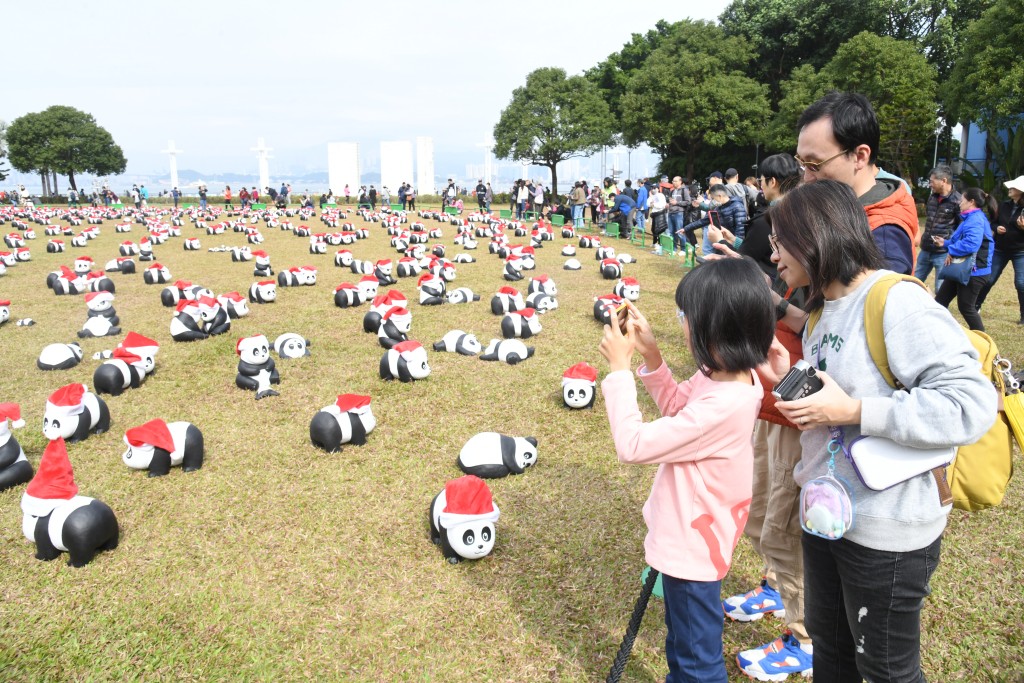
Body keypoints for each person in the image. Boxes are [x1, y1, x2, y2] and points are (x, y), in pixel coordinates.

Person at [768, 179, 995, 682]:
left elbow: (971, 404)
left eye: (780, 240)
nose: (774, 253)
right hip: (826, 517)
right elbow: (832, 396)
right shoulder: (821, 312)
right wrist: (787, 374)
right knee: (830, 650)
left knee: (886, 669)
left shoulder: (896, 301)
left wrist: (855, 412)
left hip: (887, 533)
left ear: (815, 234)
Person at [599, 257, 775, 683]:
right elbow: (680, 408)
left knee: (697, 658)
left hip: (692, 548)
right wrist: (653, 356)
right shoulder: (731, 376)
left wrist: (620, 371)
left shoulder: (722, 404)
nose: (683, 324)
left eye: (686, 317)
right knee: (682, 641)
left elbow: (632, 444)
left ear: (714, 329)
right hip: (696, 537)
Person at [796, 91, 918, 275]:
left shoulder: (883, 236)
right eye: (802, 163)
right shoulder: (843, 209)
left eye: (814, 165)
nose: (806, 178)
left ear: (860, 156)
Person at [708, 153, 801, 279]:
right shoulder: (799, 212)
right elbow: (760, 248)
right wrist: (734, 240)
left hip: (767, 285)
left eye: (761, 180)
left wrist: (720, 240)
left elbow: (744, 261)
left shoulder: (768, 219)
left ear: (772, 182)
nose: (761, 185)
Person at [932, 187, 994, 331]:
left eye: (962, 200)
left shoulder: (976, 220)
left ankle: (984, 340)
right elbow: (963, 240)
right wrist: (946, 243)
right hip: (961, 268)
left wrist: (951, 249)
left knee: (966, 307)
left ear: (971, 202)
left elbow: (971, 244)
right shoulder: (970, 218)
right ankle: (938, 333)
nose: (959, 202)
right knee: (940, 302)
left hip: (974, 271)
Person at [975, 175, 1024, 324]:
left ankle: (1023, 316)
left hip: (1020, 252)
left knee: (1021, 283)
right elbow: (993, 223)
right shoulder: (1004, 205)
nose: (1009, 189)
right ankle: (975, 306)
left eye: (1013, 187)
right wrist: (997, 227)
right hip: (1000, 249)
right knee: (988, 280)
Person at [915, 165, 963, 291]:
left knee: (940, 289)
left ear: (944, 181)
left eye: (932, 181)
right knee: (914, 282)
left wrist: (951, 248)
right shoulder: (932, 197)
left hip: (943, 253)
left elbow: (961, 228)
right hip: (925, 249)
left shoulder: (958, 201)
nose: (930, 184)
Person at [682, 183, 746, 255]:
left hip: (732, 245)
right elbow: (704, 221)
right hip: (721, 241)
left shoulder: (737, 206)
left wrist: (736, 247)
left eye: (713, 198)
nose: (713, 201)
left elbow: (740, 231)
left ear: (720, 196)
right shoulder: (717, 208)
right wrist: (686, 228)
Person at [666, 176, 690, 250]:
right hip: (671, 212)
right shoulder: (672, 191)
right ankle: (674, 248)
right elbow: (670, 200)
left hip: (679, 213)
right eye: (673, 181)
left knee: (680, 232)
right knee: (671, 232)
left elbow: (688, 202)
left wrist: (677, 203)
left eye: (676, 181)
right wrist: (668, 204)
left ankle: (683, 249)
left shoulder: (684, 190)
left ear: (680, 181)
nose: (674, 182)